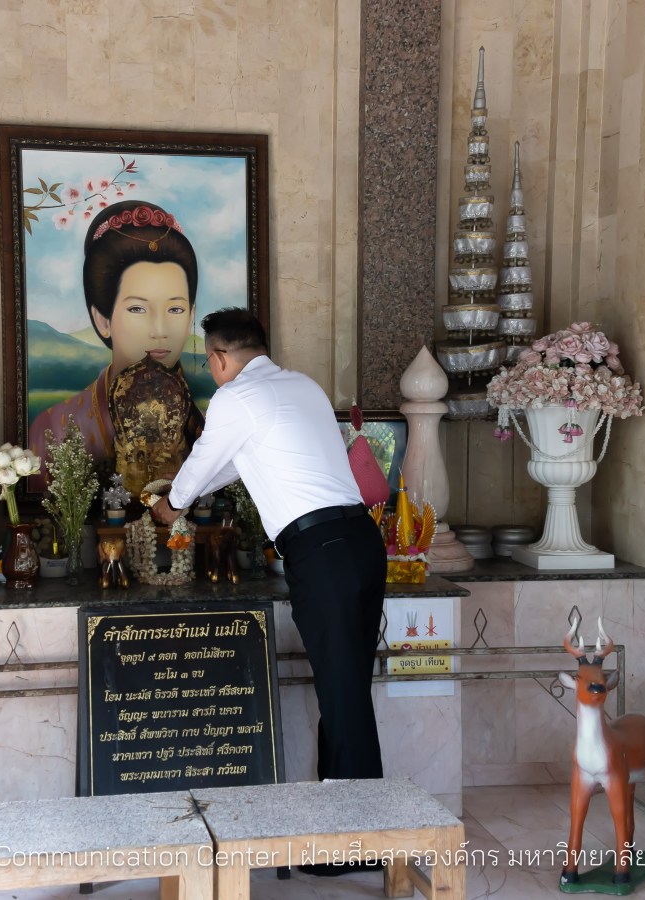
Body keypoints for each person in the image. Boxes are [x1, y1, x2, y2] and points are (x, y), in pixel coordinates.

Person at [152, 309, 388, 874]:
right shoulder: (300, 386)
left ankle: (359, 841)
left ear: (218, 358)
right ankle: (352, 831)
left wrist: (170, 507)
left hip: (322, 553)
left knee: (342, 690)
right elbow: (235, 464)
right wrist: (186, 495)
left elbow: (206, 461)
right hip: (360, 540)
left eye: (208, 361)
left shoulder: (235, 399)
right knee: (347, 684)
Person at [26, 199, 204, 487]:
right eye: (137, 309)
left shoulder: (212, 425)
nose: (159, 330)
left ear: (191, 315)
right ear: (102, 319)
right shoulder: (53, 428)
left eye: (175, 309)